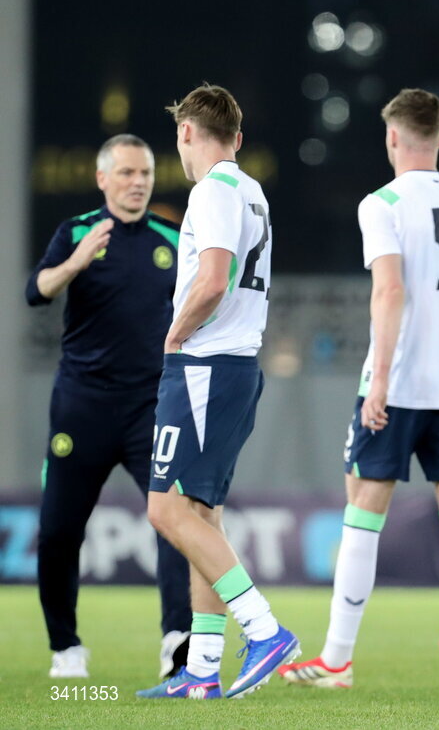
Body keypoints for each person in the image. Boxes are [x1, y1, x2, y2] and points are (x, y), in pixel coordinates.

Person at [277, 88, 439, 688]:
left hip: (399, 387)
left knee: (362, 516)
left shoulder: (382, 204)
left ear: (392, 137)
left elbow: (390, 292)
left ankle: (337, 659)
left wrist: (382, 382)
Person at [137, 84, 298, 700]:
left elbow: (213, 278)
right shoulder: (251, 191)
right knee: (202, 513)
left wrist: (175, 335)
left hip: (205, 365)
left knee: (165, 509)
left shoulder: (211, 192)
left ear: (185, 133)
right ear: (237, 137)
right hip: (234, 367)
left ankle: (265, 631)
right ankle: (202, 668)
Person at [26, 134, 192, 680]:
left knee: (174, 522)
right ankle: (66, 647)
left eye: (144, 172)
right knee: (57, 531)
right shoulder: (76, 233)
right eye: (125, 173)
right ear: (102, 179)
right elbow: (38, 289)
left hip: (150, 406)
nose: (138, 182)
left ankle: (177, 642)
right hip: (83, 406)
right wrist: (74, 262)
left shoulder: (172, 235)